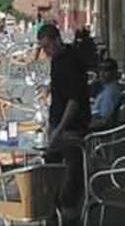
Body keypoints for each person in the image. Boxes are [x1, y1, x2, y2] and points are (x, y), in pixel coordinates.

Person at [38, 23, 90, 214]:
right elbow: (59, 82)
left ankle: (69, 214)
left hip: (71, 126)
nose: (45, 52)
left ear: (57, 40)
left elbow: (74, 101)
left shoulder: (72, 61)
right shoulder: (56, 59)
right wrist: (48, 89)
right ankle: (54, 210)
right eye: (42, 48)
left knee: (70, 172)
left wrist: (60, 129)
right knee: (51, 164)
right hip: (57, 121)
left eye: (47, 47)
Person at [90, 58, 122, 130]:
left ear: (115, 72)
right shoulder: (105, 88)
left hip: (99, 132)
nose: (102, 73)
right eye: (100, 69)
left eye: (106, 70)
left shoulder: (110, 92)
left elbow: (104, 121)